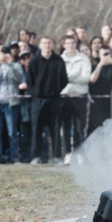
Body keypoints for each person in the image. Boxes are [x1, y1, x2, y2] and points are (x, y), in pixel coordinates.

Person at [29, 36, 69, 165]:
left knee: (56, 129)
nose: (47, 45)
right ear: (40, 45)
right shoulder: (34, 61)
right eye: (44, 43)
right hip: (38, 100)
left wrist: (55, 91)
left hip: (54, 100)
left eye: (49, 43)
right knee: (36, 129)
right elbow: (29, 80)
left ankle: (57, 157)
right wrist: (37, 91)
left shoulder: (58, 60)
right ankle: (36, 157)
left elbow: (64, 80)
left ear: (53, 45)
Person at [0, 44, 24, 165]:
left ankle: (14, 157)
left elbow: (19, 78)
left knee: (12, 132)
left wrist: (10, 64)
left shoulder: (16, 65)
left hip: (10, 103)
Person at [59, 34, 91, 154]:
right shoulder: (59, 59)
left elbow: (86, 78)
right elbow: (60, 79)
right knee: (66, 127)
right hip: (65, 97)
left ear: (76, 44)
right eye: (68, 43)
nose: (70, 45)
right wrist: (76, 73)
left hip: (79, 97)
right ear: (64, 45)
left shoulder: (84, 58)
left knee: (79, 127)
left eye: (72, 43)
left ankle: (79, 153)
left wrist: (68, 77)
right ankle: (68, 153)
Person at [89, 46, 112, 132]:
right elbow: (92, 79)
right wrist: (100, 64)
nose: (106, 56)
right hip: (98, 102)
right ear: (99, 55)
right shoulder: (95, 66)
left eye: (108, 53)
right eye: (104, 54)